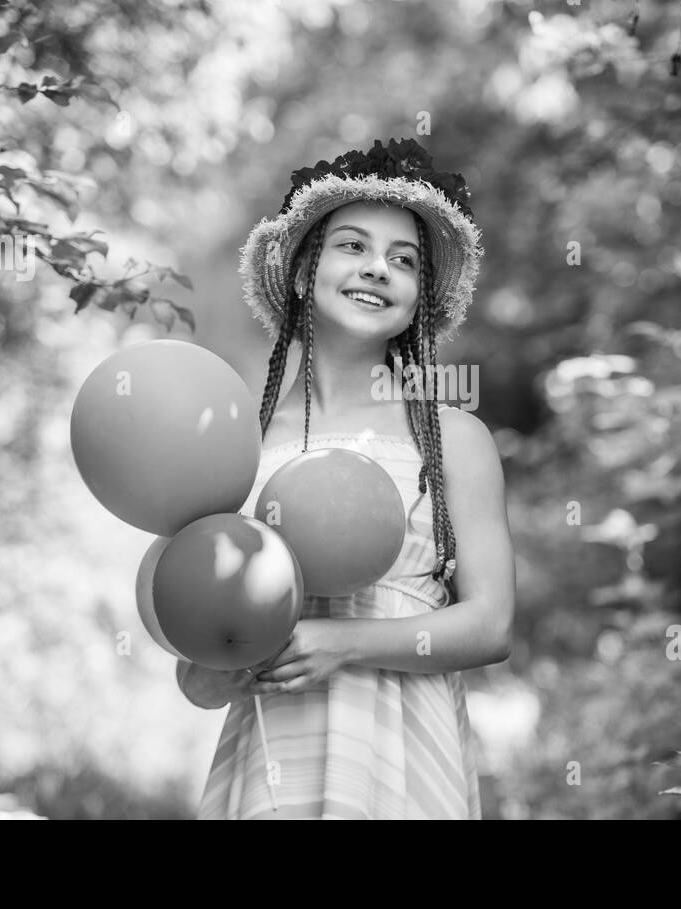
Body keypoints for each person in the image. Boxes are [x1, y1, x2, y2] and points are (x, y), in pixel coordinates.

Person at [177, 137, 516, 819]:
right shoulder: (240, 442)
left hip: (402, 750)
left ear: (419, 294)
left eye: (403, 259)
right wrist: (231, 652)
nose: (377, 269)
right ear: (305, 271)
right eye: (352, 246)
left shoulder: (453, 438)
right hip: (276, 748)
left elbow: (491, 624)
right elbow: (199, 673)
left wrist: (343, 642)